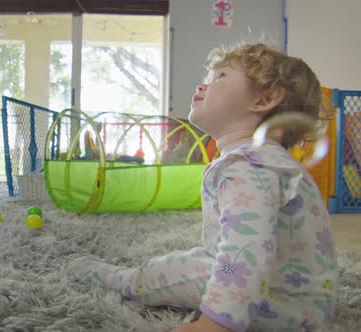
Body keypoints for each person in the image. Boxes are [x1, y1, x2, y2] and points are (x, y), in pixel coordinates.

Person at [68, 43, 338, 331]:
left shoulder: (247, 165)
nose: (202, 85)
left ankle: (119, 278)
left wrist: (214, 324)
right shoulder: (274, 162)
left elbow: (245, 251)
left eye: (220, 76)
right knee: (201, 258)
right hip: (308, 304)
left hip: (280, 308)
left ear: (264, 99)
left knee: (172, 271)